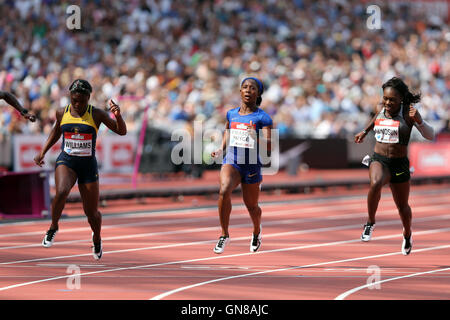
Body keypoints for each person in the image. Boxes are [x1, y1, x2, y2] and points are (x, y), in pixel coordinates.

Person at [34, 79, 127, 260]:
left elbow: (121, 131)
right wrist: (42, 152)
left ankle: (97, 237)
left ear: (88, 98)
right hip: (67, 161)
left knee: (91, 212)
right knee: (61, 192)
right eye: (73, 100)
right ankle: (53, 227)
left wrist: (118, 116)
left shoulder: (97, 114)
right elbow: (56, 132)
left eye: (81, 101)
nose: (77, 104)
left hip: (87, 165)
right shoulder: (62, 112)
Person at [354, 77, 435, 255]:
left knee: (403, 208)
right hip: (379, 159)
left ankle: (407, 234)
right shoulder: (381, 108)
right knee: (375, 183)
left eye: (392, 99)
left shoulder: (409, 113)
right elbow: (376, 117)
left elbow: (430, 135)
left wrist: (420, 121)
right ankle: (370, 222)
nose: (387, 102)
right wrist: (365, 131)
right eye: (385, 98)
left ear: (401, 99)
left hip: (399, 163)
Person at [211, 77, 273, 254]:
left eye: (252, 88)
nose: (248, 90)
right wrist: (221, 149)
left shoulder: (263, 117)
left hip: (251, 165)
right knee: (224, 190)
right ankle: (224, 234)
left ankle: (256, 231)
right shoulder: (231, 114)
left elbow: (269, 145)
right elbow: (228, 131)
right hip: (232, 161)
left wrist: (257, 136)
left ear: (258, 93)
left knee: (252, 206)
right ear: (240, 91)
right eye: (244, 87)